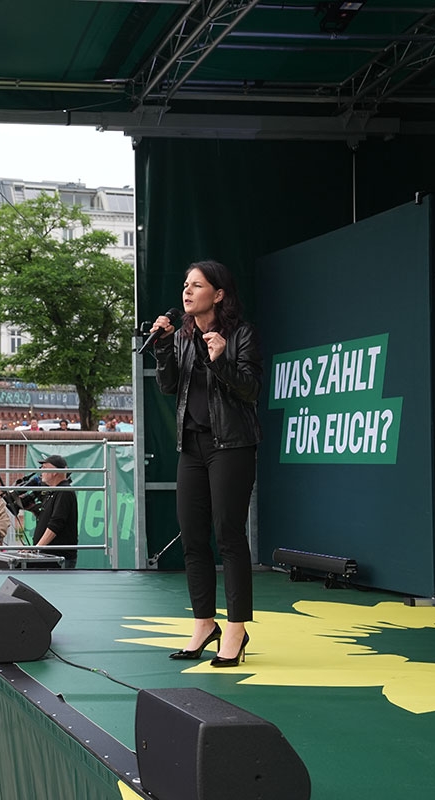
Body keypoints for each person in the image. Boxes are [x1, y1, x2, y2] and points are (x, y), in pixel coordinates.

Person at [151, 260, 260, 668]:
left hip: (230, 445)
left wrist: (220, 360)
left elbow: (250, 390)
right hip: (192, 446)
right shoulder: (179, 336)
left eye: (197, 285)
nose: (187, 291)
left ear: (218, 294)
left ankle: (236, 629)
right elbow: (168, 387)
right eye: (185, 285)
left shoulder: (241, 335)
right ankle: (204, 623)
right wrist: (162, 347)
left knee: (228, 535)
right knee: (193, 538)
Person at [33, 455, 78, 569]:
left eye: (44, 468)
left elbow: (56, 524)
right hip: (49, 556)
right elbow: (48, 517)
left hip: (59, 558)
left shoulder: (64, 491)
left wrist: (37, 548)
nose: (41, 471)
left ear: (54, 472)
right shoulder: (53, 491)